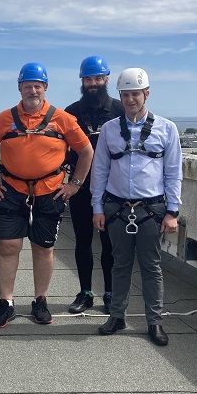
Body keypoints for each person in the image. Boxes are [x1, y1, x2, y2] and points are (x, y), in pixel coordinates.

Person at [0, 62, 93, 327]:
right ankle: (6, 302)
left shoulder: (63, 119)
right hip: (12, 191)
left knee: (43, 249)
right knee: (8, 247)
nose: (32, 91)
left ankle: (40, 300)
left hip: (50, 193)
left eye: (37, 86)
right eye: (27, 86)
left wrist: (75, 184)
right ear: (19, 88)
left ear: (45, 87)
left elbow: (86, 151)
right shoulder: (3, 119)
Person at [92, 68, 182, 346]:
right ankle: (117, 316)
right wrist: (97, 207)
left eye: (135, 94)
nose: (130, 99)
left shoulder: (167, 129)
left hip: (151, 210)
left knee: (151, 266)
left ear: (146, 94)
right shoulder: (109, 130)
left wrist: (172, 211)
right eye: (125, 94)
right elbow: (100, 171)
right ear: (120, 95)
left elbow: (173, 172)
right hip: (117, 208)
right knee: (120, 264)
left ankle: (154, 322)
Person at [64, 56, 125, 314]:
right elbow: (61, 150)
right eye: (88, 79)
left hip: (113, 190)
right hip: (81, 187)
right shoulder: (71, 112)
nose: (92, 83)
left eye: (97, 79)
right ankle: (86, 292)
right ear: (82, 81)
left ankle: (109, 293)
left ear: (106, 79)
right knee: (82, 241)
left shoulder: (120, 110)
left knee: (109, 243)